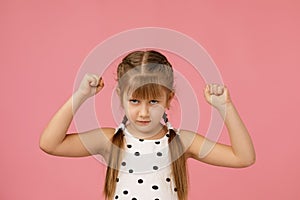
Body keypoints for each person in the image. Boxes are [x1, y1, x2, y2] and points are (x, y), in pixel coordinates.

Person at [40, 50, 255, 200]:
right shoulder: (110, 140)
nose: (143, 112)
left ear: (169, 99)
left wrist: (225, 107)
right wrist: (81, 95)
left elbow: (243, 157)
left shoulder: (182, 141)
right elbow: (50, 144)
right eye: (134, 101)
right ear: (120, 96)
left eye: (153, 101)